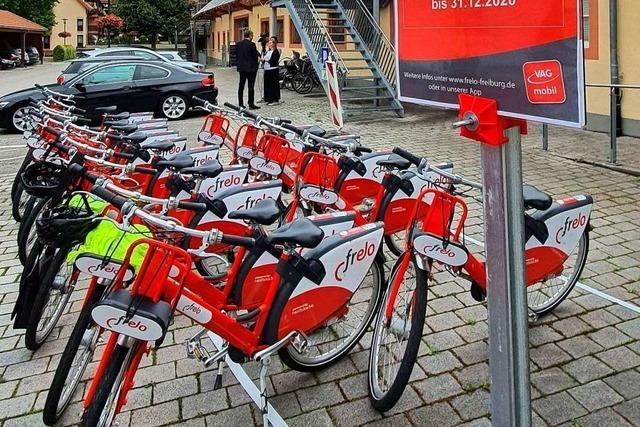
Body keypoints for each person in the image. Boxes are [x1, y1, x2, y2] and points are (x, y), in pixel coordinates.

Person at [236, 29, 260, 110]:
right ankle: (251, 104)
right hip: (251, 69)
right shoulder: (252, 44)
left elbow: (236, 55)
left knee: (241, 86)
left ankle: (240, 104)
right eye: (252, 35)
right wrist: (256, 66)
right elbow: (255, 56)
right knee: (251, 87)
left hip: (242, 69)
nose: (252, 37)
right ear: (250, 36)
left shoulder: (238, 44)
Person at [261, 37, 281, 106]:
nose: (268, 44)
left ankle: (275, 100)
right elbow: (265, 59)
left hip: (273, 70)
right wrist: (262, 61)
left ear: (274, 44)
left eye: (270, 42)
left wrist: (265, 60)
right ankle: (269, 99)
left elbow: (273, 61)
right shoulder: (268, 51)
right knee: (267, 86)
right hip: (267, 70)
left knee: (273, 85)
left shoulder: (276, 51)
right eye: (268, 43)